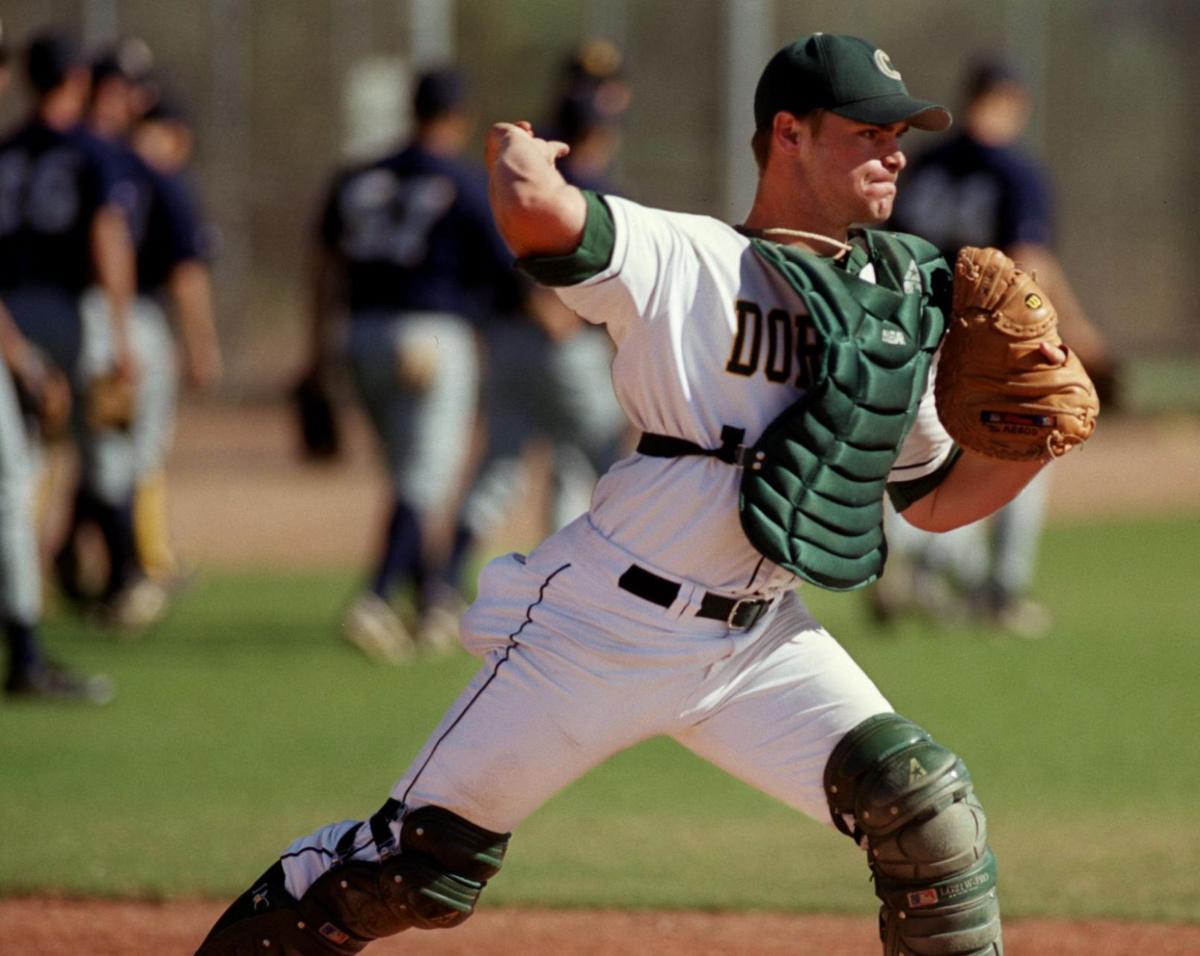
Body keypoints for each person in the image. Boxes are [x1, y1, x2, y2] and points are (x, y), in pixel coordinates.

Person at [195, 34, 1080, 955]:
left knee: (927, 813)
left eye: (900, 131)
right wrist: (518, 161)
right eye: (867, 130)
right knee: (413, 871)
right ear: (789, 133)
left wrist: (1038, 444)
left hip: (760, 644)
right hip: (597, 631)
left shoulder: (893, 308)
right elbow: (544, 220)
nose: (894, 150)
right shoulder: (687, 258)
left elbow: (931, 499)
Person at [879, 57, 1115, 637]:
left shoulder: (928, 165)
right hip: (991, 340)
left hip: (914, 328)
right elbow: (1027, 262)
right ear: (1014, 101)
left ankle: (917, 557)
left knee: (932, 457)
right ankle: (996, 589)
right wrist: (1073, 332)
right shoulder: (1015, 171)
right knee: (1027, 441)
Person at [304, 67, 514, 664]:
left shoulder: (358, 176)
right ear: (460, 118)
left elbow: (322, 264)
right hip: (430, 335)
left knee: (408, 480)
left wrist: (316, 355)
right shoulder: (461, 181)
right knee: (424, 481)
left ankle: (431, 602)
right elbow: (505, 270)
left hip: (360, 332)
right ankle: (374, 598)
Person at [426, 53, 630, 643]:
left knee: (500, 468)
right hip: (564, 348)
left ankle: (440, 590)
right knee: (617, 472)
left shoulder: (518, 179)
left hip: (506, 342)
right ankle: (593, 603)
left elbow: (491, 253)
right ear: (598, 130)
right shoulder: (593, 188)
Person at [54, 44, 221, 629]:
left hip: (46, 313)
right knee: (119, 452)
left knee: (86, 451)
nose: (137, 102)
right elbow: (184, 268)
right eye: (130, 89)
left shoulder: (53, 150)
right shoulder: (125, 165)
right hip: (112, 319)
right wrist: (198, 343)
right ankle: (129, 571)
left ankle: (87, 566)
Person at [0, 30, 140, 623]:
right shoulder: (90, 148)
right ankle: (126, 576)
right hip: (73, 310)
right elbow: (106, 234)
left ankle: (36, 582)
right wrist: (121, 329)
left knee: (23, 464)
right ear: (77, 82)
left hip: (12, 313)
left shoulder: (6, 149)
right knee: (105, 442)